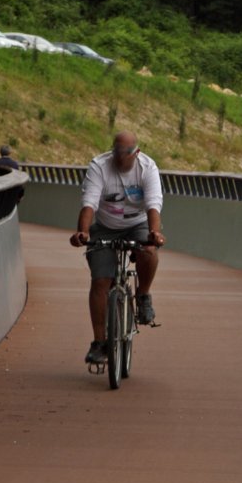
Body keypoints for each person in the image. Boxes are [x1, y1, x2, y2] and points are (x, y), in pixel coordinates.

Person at [70, 132, 165, 366]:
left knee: (149, 251)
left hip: (137, 223)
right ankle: (99, 343)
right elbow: (89, 202)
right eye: (117, 153)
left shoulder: (147, 168)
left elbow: (154, 203)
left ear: (137, 153)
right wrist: (83, 232)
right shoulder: (99, 166)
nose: (121, 159)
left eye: (126, 154)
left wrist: (154, 233)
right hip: (106, 226)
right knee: (101, 281)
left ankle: (143, 295)